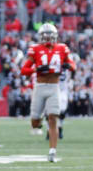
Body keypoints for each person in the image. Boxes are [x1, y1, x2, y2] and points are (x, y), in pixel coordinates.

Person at [20, 23, 75, 162]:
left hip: (54, 87)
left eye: (50, 36)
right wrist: (36, 69)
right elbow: (24, 70)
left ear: (55, 36)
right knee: (34, 122)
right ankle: (38, 121)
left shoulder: (62, 48)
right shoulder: (35, 49)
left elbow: (73, 65)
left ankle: (52, 151)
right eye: (45, 36)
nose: (48, 38)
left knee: (53, 119)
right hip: (39, 87)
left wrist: (69, 65)